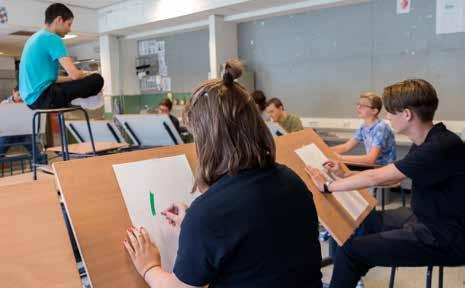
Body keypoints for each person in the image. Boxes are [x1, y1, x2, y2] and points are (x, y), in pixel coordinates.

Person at [123, 59, 323, 288]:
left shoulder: (210, 213)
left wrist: (149, 266)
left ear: (207, 140)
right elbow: (251, 241)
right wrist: (195, 225)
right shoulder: (290, 180)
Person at [305, 79, 465, 288]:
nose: (387, 117)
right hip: (425, 216)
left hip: (446, 235)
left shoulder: (441, 145)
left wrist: (327, 186)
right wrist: (345, 176)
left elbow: (376, 177)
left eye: (390, 112)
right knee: (363, 221)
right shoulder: (429, 139)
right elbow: (395, 176)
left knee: (351, 252)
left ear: (407, 114)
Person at [19, 3, 104, 110]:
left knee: (74, 82)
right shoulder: (52, 38)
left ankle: (76, 99)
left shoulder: (33, 38)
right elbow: (75, 75)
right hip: (46, 97)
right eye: (69, 24)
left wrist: (72, 79)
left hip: (32, 102)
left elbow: (53, 79)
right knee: (97, 79)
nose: (70, 30)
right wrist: (86, 74)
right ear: (59, 20)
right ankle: (81, 99)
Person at [331, 92, 396, 166]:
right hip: (373, 168)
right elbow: (346, 146)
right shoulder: (364, 126)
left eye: (363, 106)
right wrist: (324, 150)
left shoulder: (381, 128)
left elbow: (370, 159)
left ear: (374, 111)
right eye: (358, 104)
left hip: (384, 170)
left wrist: (340, 158)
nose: (358, 107)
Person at [0, 86, 34, 158]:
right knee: (1, 149)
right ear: (13, 92)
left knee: (35, 149)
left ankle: (40, 162)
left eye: (22, 95)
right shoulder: (4, 104)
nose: (20, 98)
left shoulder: (26, 103)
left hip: (23, 133)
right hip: (8, 134)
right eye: (18, 95)